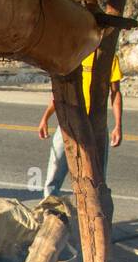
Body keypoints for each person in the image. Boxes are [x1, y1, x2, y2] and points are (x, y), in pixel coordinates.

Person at [38, 51, 123, 196]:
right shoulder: (73, 54)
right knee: (55, 170)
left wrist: (118, 126)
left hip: (95, 125)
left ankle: (98, 213)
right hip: (68, 123)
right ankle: (49, 211)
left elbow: (115, 93)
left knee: (98, 175)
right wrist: (45, 118)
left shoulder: (109, 58)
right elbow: (59, 92)